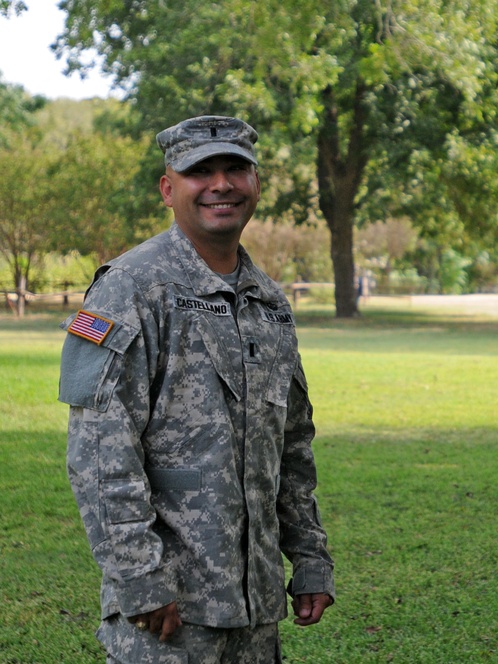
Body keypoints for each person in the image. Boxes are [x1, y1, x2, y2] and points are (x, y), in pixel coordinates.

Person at [58, 115, 335, 663]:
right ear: (168, 188)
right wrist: (139, 577)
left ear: (255, 183)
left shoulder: (269, 301)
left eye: (236, 169)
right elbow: (99, 452)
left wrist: (308, 557)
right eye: (198, 171)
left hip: (255, 612)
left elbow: (291, 446)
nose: (220, 184)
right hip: (169, 612)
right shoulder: (130, 289)